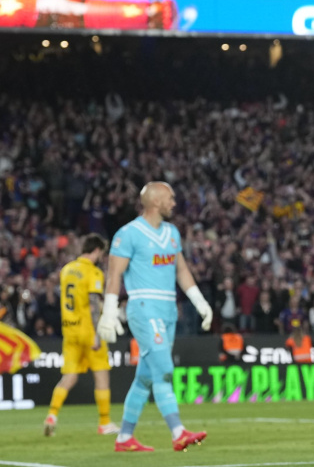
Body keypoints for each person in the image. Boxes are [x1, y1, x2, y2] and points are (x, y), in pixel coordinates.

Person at [97, 182, 212, 452]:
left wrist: (200, 302)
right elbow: (114, 274)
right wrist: (109, 311)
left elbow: (181, 270)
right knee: (164, 370)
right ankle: (178, 432)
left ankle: (125, 438)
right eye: (170, 197)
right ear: (157, 201)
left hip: (169, 310)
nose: (174, 202)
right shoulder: (129, 234)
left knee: (145, 378)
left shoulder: (172, 233)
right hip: (144, 307)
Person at [44, 234, 120, 437]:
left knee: (69, 376)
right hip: (88, 331)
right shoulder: (93, 273)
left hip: (69, 331)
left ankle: (52, 414)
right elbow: (93, 304)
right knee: (101, 375)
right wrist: (96, 333)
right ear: (96, 250)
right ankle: (104, 422)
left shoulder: (67, 270)